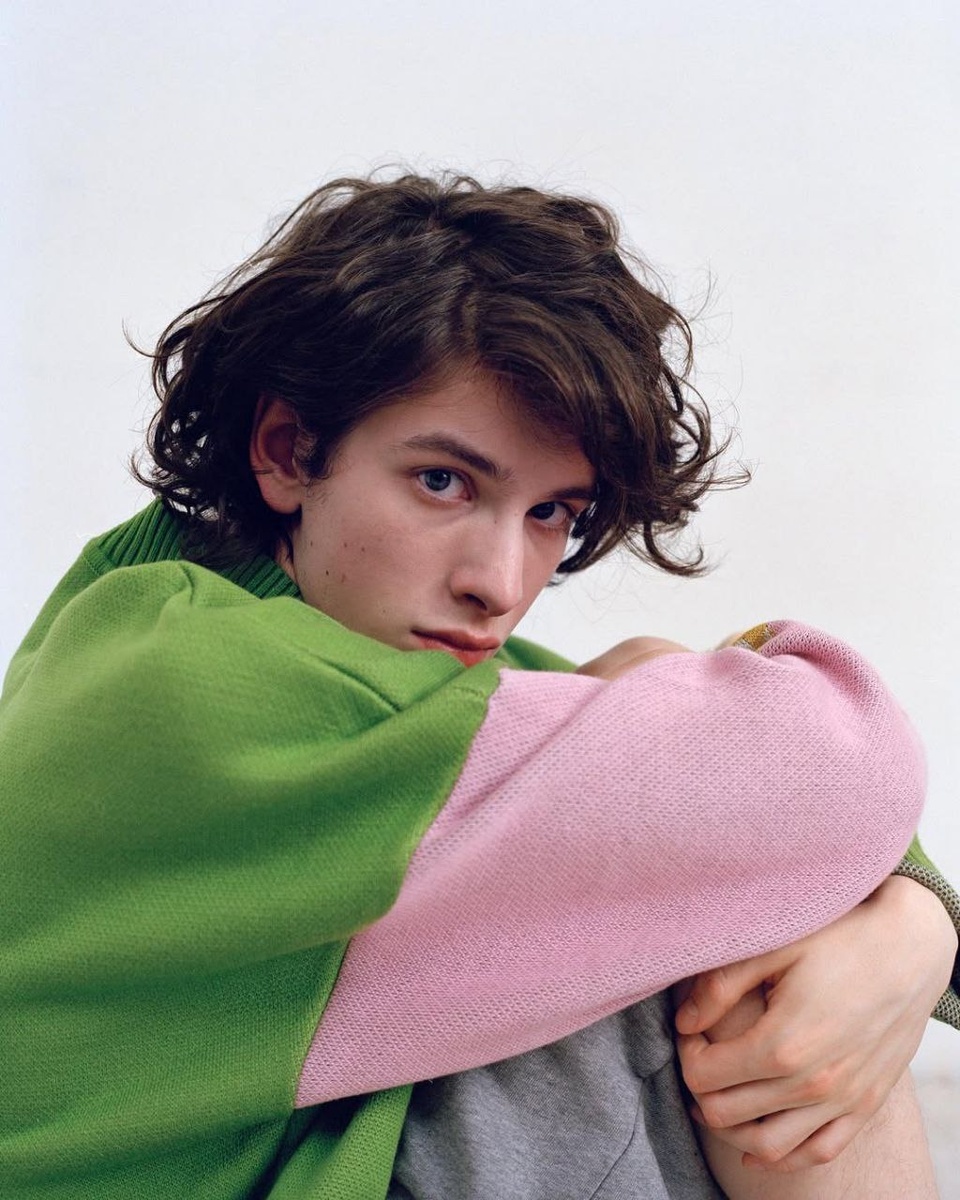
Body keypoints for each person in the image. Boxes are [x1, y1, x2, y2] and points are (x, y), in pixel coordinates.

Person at [1, 172, 956, 1200]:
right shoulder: (202, 687)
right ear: (287, 451)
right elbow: (837, 772)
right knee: (724, 936)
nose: (498, 585)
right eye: (443, 482)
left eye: (551, 514)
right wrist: (911, 921)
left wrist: (915, 923)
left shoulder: (328, 646)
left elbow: (775, 813)